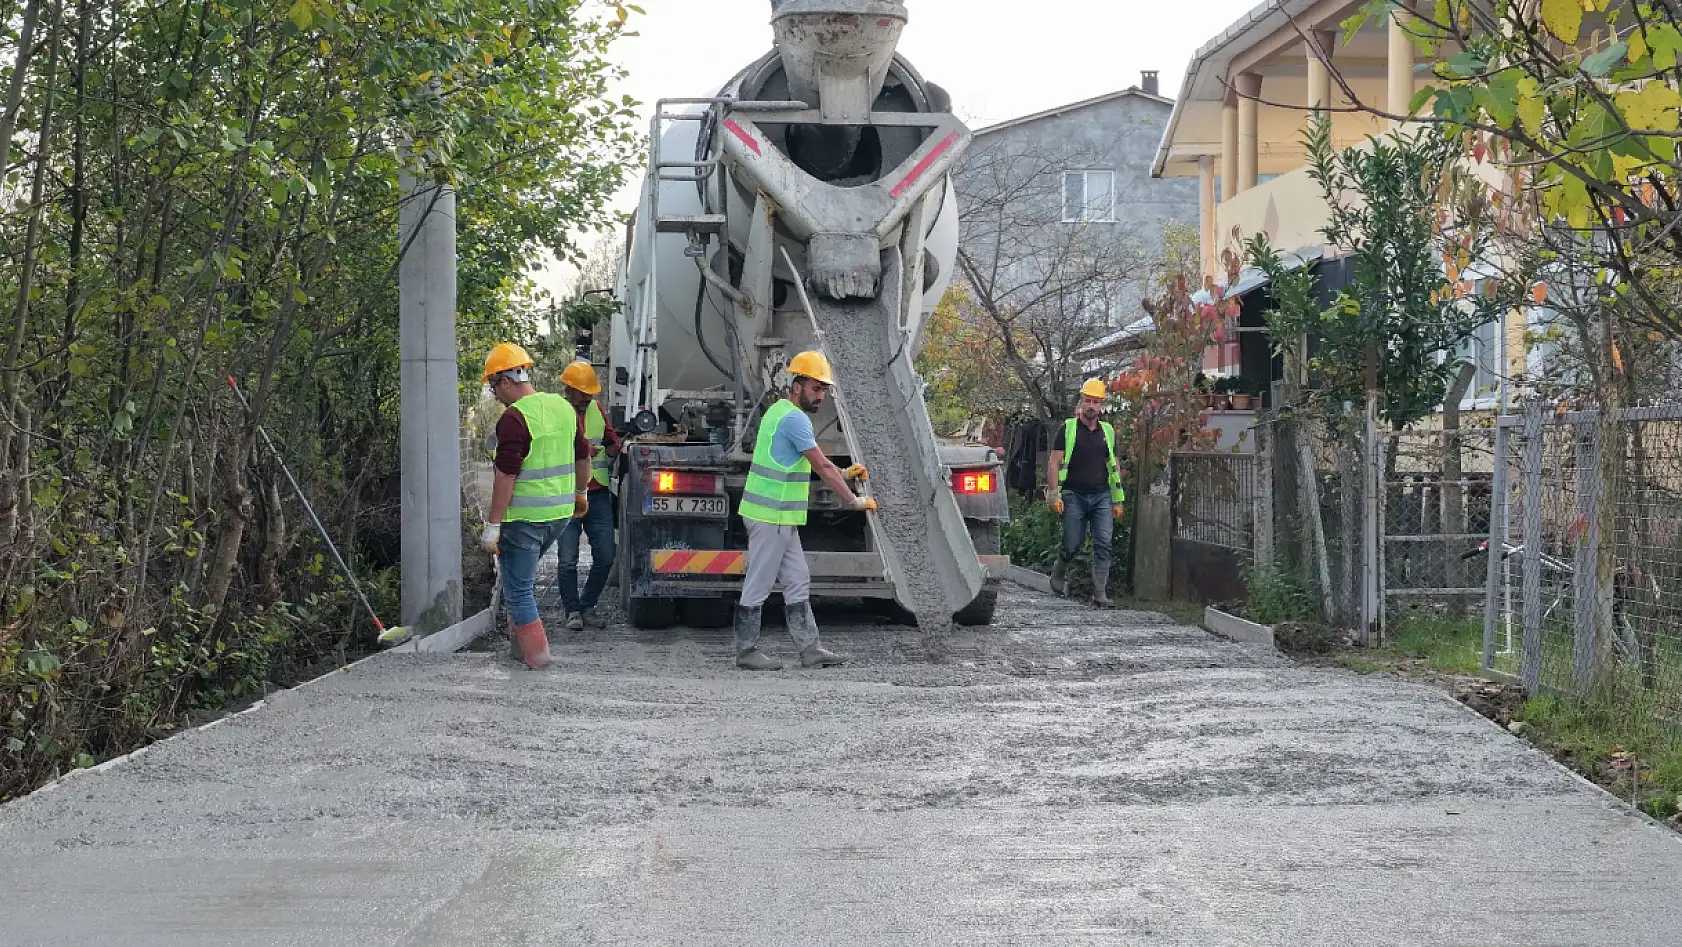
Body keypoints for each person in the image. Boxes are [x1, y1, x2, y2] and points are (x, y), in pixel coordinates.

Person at [734, 350, 874, 671]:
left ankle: (810, 649)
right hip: (771, 516)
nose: (820, 395)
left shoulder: (780, 412)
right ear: (796, 386)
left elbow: (800, 462)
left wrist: (846, 474)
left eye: (824, 390)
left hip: (779, 517)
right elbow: (822, 465)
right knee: (759, 582)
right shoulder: (795, 418)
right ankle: (746, 651)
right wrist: (853, 501)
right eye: (815, 388)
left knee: (798, 579)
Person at [477, 343, 591, 669]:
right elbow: (583, 456)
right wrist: (580, 494)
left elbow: (505, 476)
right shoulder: (563, 407)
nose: (494, 393)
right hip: (558, 516)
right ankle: (519, 650)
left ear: (505, 380)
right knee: (517, 576)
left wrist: (493, 526)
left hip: (525, 519)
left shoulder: (514, 419)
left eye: (493, 386)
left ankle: (538, 659)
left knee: (519, 589)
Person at [1045, 377, 1127, 607]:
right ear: (1081, 401)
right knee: (1073, 543)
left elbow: (1114, 465)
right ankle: (1059, 571)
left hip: (1102, 496)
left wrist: (1117, 500)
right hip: (1074, 495)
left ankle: (1100, 593)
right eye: (1088, 401)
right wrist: (1054, 494)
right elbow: (1054, 462)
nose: (1092, 406)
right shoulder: (1068, 429)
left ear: (1101, 405)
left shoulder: (1107, 432)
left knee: (1104, 542)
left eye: (1096, 402)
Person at [556, 359, 620, 631]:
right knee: (568, 558)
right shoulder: (556, 413)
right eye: (584, 392)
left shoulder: (597, 410)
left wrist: (619, 446)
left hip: (597, 493)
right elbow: (550, 450)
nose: (588, 397)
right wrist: (581, 452)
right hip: (568, 494)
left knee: (606, 555)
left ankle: (587, 605)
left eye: (590, 393)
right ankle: (572, 611)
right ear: (569, 390)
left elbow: (611, 441)